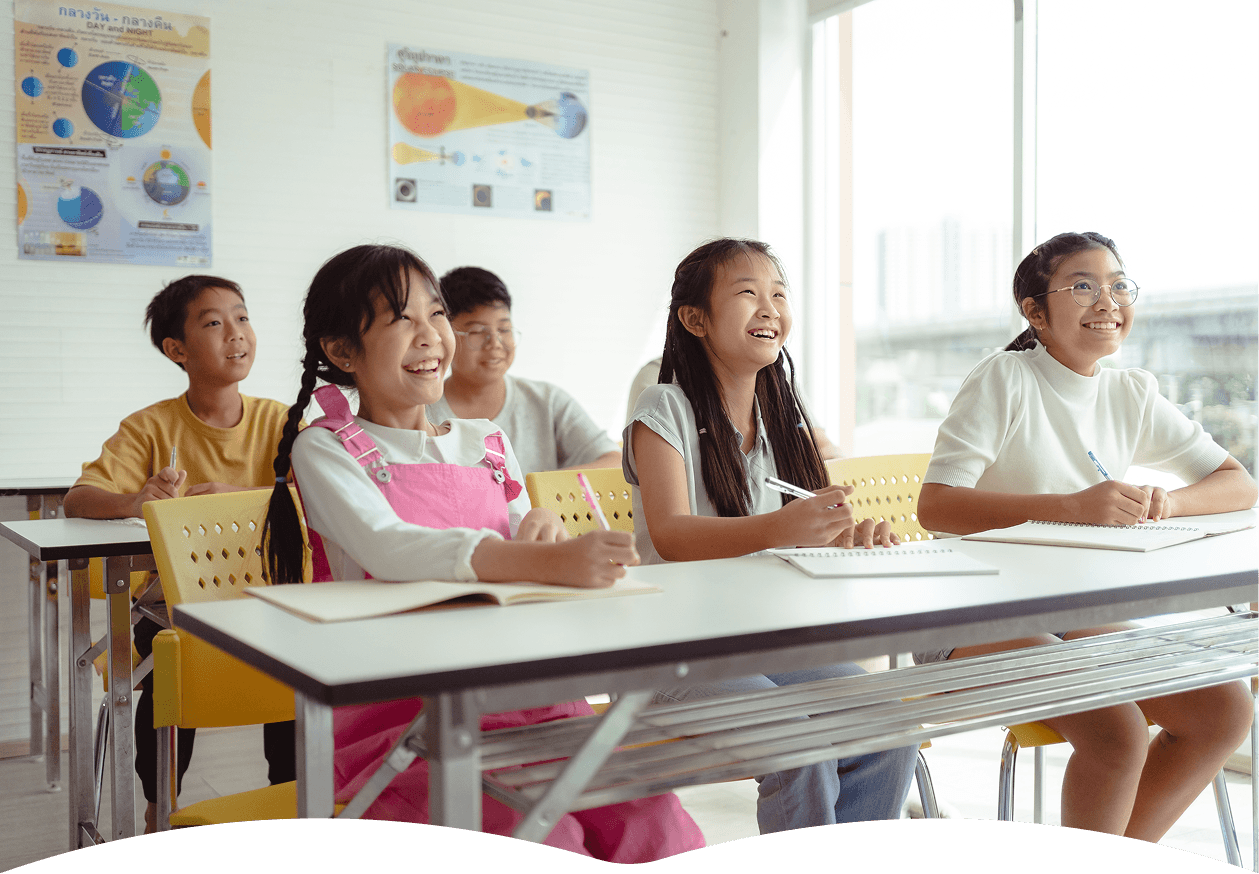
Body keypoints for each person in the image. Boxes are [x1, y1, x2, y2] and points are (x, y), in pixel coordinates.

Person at [262, 244, 703, 860]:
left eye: (436, 314)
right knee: (548, 836)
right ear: (341, 352)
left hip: (534, 699)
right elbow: (389, 548)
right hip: (411, 722)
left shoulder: (486, 441)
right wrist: (537, 560)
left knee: (652, 818)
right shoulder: (327, 447)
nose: (430, 336)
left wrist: (542, 528)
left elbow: (523, 525)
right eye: (401, 320)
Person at [915, 231, 1256, 840]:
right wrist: (1071, 508)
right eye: (1082, 286)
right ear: (1035, 312)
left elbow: (1237, 483)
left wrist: (1166, 501)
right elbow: (936, 506)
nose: (1107, 300)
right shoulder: (1004, 378)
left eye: (1119, 284)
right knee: (1118, 731)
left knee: (1223, 707)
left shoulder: (1131, 391)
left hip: (1070, 612)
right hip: (968, 616)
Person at [623, 237, 918, 834]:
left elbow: (801, 537)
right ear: (694, 319)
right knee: (799, 745)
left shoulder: (784, 415)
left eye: (779, 294)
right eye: (747, 293)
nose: (770, 308)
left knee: (891, 727)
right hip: (673, 654)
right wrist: (779, 529)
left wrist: (847, 538)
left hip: (765, 644)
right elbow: (674, 536)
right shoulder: (664, 407)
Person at [63, 275, 296, 833]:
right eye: (214, 323)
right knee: (165, 655)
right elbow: (78, 499)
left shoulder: (284, 422)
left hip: (274, 606)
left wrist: (234, 500)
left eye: (242, 318)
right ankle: (155, 805)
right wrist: (135, 499)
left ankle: (291, 799)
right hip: (177, 610)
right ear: (177, 350)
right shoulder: (151, 426)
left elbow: (322, 500)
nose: (236, 334)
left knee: (300, 672)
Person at [424, 266, 620, 476]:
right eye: (477, 331)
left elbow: (615, 460)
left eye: (504, 329)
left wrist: (537, 489)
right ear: (444, 335)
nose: (495, 343)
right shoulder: (422, 412)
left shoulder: (548, 401)